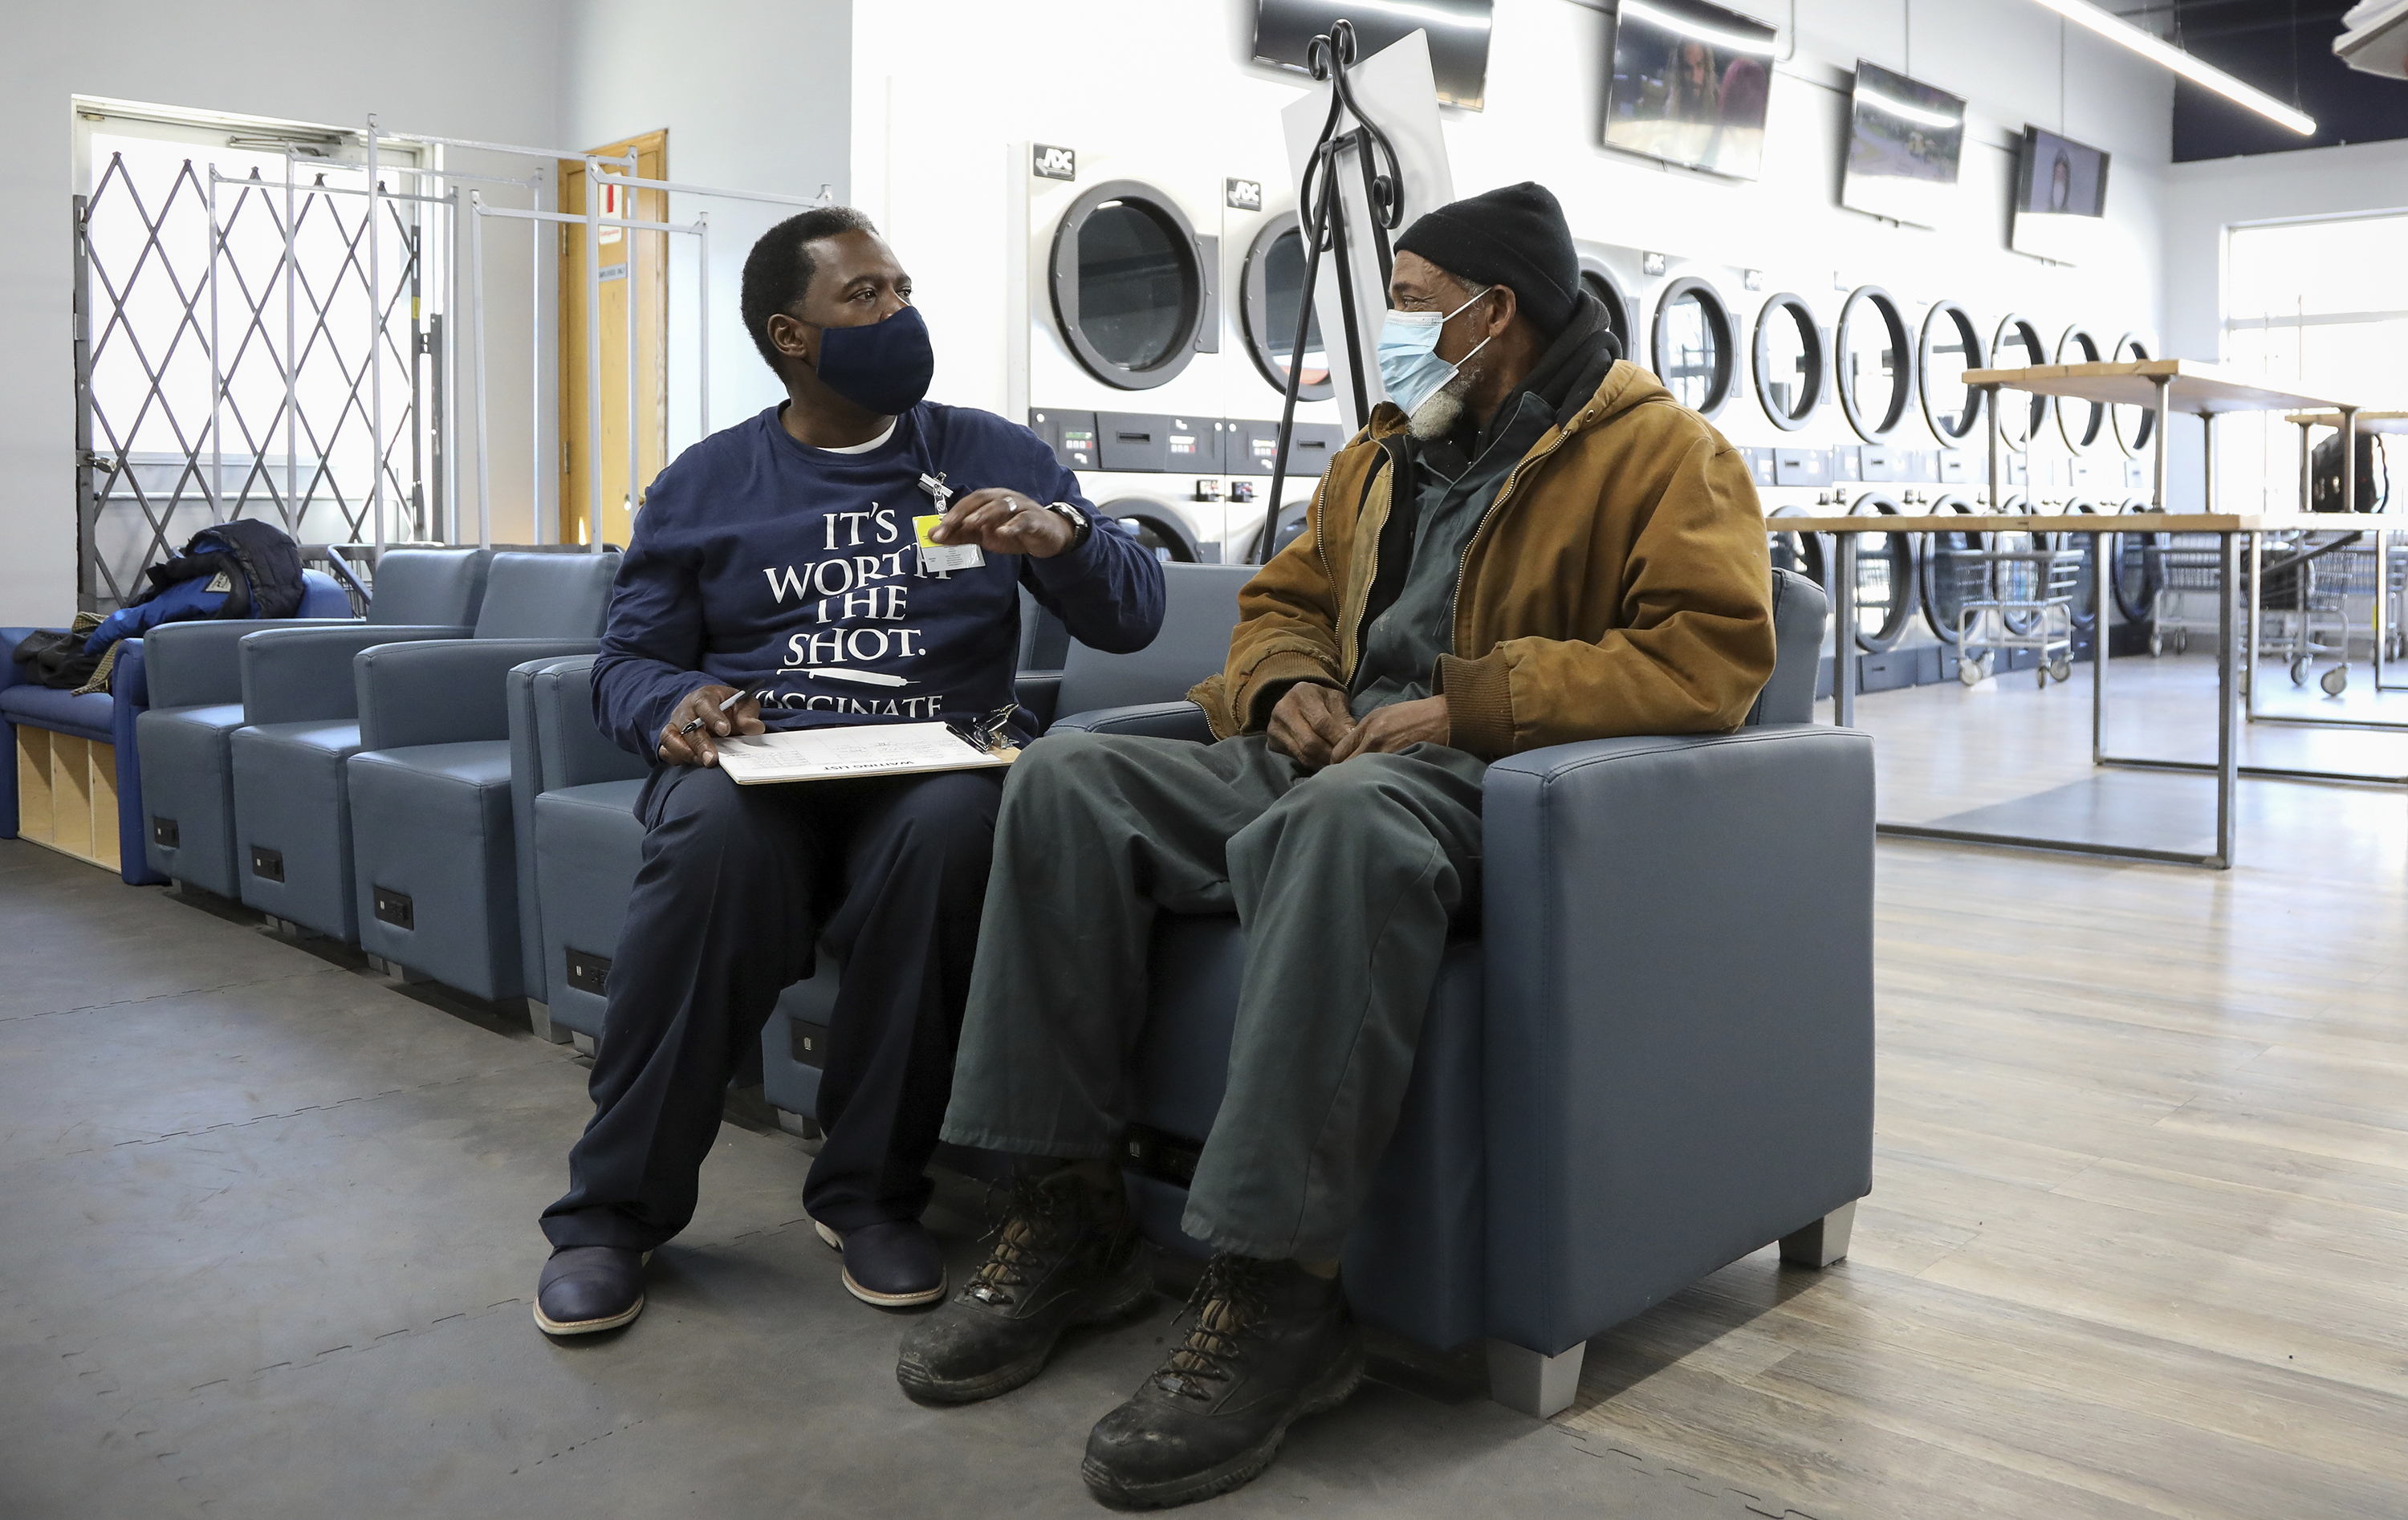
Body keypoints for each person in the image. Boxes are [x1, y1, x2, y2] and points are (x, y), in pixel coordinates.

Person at [897, 181, 1776, 1508]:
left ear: (1501, 311)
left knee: (1348, 816)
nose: (1397, 329)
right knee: (1068, 777)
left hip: (1486, 775)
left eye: (1418, 304)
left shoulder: (1664, 454)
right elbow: (1282, 600)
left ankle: (1280, 1296)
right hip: (1322, 750)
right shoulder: (1382, 453)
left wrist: (1473, 700)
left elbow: (1710, 659)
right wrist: (1281, 686)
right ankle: (1070, 1212)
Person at [532, 208, 1165, 1336]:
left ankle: (870, 1190)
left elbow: (1133, 614)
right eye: (864, 297)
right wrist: (672, 705)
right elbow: (627, 658)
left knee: (952, 835)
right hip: (761, 764)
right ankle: (610, 1215)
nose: (899, 313)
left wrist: (1063, 535)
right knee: (709, 845)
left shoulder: (990, 452)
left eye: (902, 288)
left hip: (933, 762)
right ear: (792, 334)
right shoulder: (707, 482)